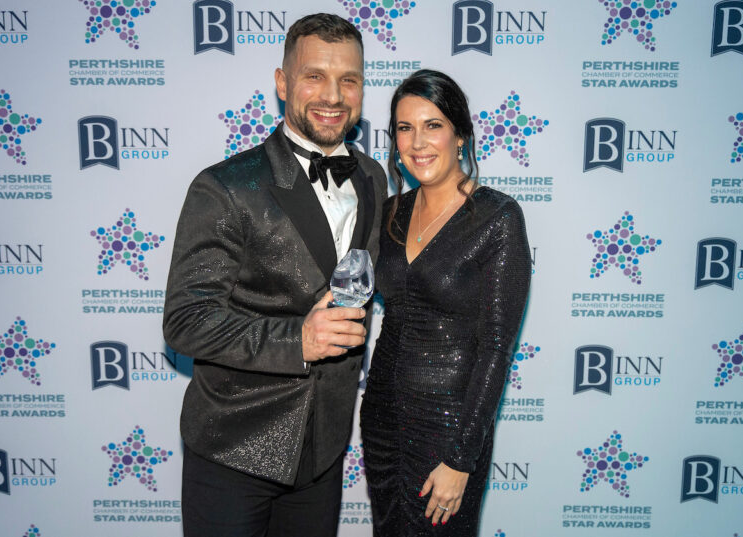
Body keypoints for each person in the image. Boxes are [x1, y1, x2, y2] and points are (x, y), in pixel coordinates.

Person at [162, 13, 387, 537]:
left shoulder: (374, 178)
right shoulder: (226, 187)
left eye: (348, 79)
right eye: (314, 76)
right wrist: (299, 340)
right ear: (282, 83)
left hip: (324, 451)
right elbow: (186, 321)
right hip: (234, 448)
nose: (333, 95)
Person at [360, 70, 531, 536]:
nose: (418, 141)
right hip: (381, 420)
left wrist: (461, 456)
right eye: (404, 127)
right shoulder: (391, 214)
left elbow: (496, 346)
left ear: (460, 134)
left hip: (450, 427)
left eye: (432, 125)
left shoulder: (498, 218)